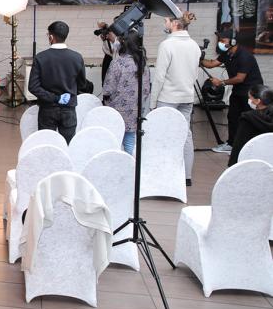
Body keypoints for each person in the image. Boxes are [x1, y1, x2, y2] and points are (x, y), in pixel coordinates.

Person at [153, 12, 201, 184]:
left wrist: (153, 102)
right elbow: (195, 74)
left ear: (174, 24)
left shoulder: (167, 45)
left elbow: (159, 76)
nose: (164, 23)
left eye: (166, 20)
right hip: (186, 96)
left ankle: (163, 173)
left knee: (162, 135)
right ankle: (187, 176)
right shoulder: (194, 45)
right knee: (185, 135)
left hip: (168, 97)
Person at [202, 26, 265, 154]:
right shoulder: (227, 53)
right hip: (238, 90)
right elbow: (212, 63)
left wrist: (221, 82)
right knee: (233, 117)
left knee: (249, 118)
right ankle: (231, 144)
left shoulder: (244, 56)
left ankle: (251, 146)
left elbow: (240, 78)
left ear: (233, 41)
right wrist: (198, 58)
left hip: (250, 92)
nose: (220, 43)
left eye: (223, 40)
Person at [27, 22, 89, 143]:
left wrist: (55, 98)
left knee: (47, 144)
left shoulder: (40, 57)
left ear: (51, 37)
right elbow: (82, 84)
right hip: (69, 109)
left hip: (47, 108)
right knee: (68, 144)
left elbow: (33, 87)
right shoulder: (77, 57)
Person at [103, 31, 150, 155]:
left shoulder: (117, 63)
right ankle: (130, 164)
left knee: (115, 141)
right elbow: (146, 90)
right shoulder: (143, 64)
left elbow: (107, 89)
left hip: (117, 111)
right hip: (135, 110)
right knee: (130, 142)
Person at [228, 84, 273, 165]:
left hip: (252, 158)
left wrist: (233, 164)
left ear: (258, 101)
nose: (248, 100)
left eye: (250, 98)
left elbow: (239, 143)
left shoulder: (248, 118)